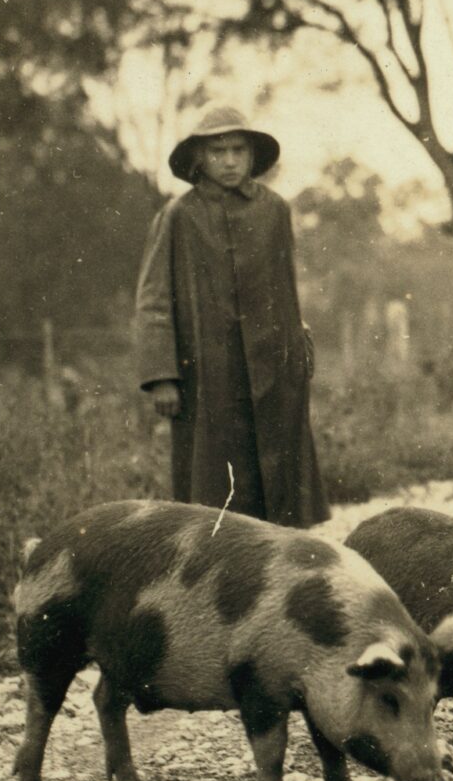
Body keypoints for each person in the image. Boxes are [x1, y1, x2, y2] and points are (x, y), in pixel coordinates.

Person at [132, 105, 330, 527]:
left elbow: (286, 284)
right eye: (217, 150)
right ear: (199, 157)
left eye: (238, 149)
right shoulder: (179, 216)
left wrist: (298, 344)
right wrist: (162, 375)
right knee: (212, 488)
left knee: (279, 479)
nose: (229, 160)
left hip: (272, 365)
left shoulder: (274, 210)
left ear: (252, 155)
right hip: (207, 371)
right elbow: (153, 296)